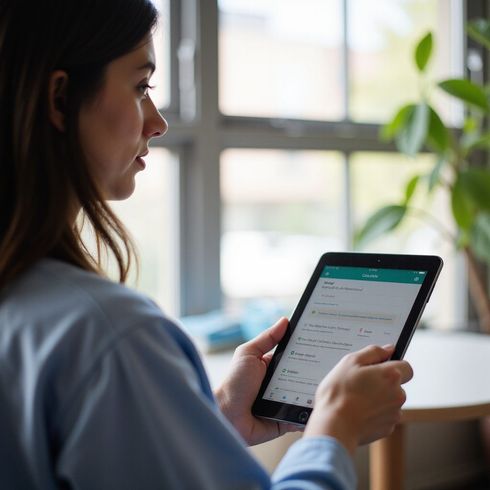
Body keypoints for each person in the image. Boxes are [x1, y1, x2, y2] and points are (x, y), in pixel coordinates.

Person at [0, 1, 413, 489]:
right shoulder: (110, 336)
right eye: (140, 87)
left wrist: (217, 420)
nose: (158, 122)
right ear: (60, 98)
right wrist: (334, 428)